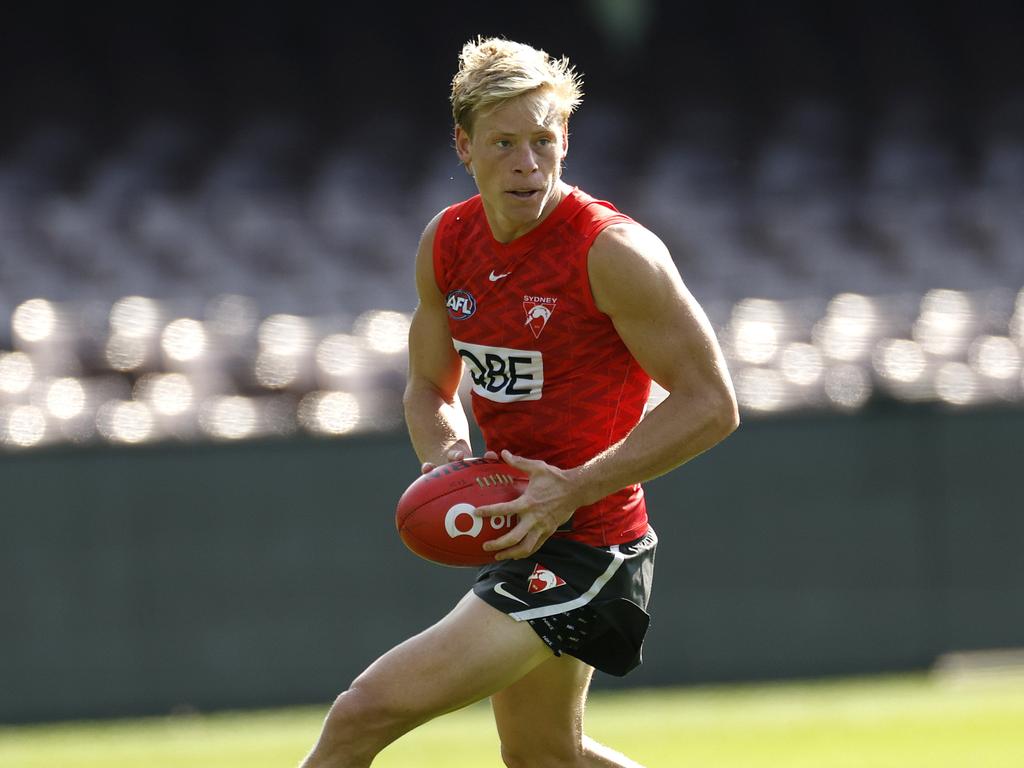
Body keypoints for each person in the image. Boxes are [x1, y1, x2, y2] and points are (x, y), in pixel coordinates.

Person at [300, 36, 738, 768]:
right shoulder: (447, 242)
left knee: (360, 714)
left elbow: (712, 403)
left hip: (594, 547)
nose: (527, 163)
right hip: (522, 535)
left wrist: (572, 488)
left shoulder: (612, 253)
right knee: (542, 758)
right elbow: (426, 388)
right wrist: (445, 460)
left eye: (543, 139)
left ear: (564, 139)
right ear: (463, 145)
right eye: (504, 142)